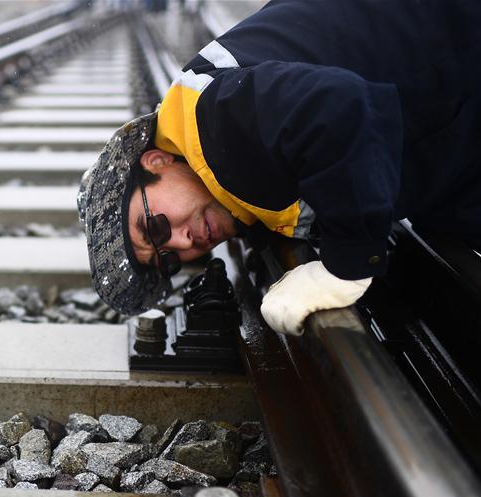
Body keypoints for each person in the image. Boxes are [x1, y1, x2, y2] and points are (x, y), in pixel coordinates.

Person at [76, 0, 481, 335]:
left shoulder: (219, 123)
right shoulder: (221, 150)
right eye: (168, 260)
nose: (182, 245)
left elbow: (339, 110)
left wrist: (348, 265)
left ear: (156, 160)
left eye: (155, 228)